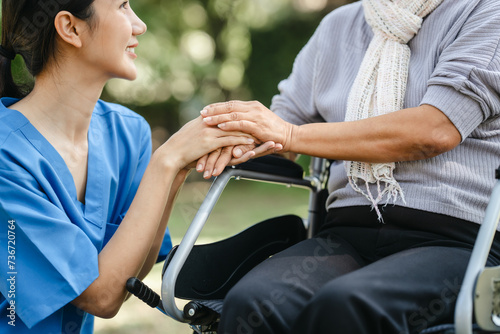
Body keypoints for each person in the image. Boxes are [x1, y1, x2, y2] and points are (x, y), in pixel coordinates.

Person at [197, 0, 500, 333]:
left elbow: (434, 130)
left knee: (347, 307)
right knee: (254, 304)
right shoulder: (338, 26)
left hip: (459, 240)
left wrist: (289, 135)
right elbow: (279, 126)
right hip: (347, 233)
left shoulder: (486, 12)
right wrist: (229, 140)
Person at [0, 1, 273, 333]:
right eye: (122, 6)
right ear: (70, 28)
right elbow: (101, 298)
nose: (139, 25)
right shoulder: (6, 155)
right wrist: (165, 161)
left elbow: (129, 276)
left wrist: (179, 168)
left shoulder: (127, 133)